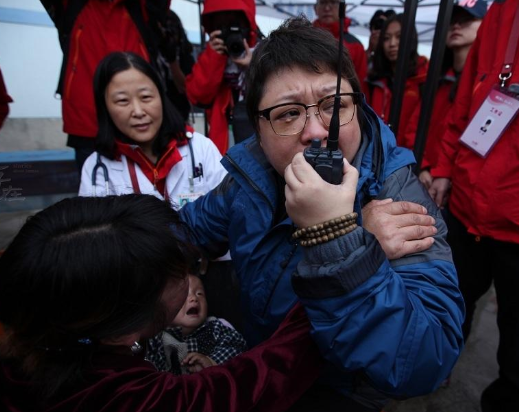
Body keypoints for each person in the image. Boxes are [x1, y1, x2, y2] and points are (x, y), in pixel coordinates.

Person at [181, 16, 464, 411]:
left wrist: (340, 240)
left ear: (359, 107)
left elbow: (423, 360)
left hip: (338, 389)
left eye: (335, 105)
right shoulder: (249, 178)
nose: (315, 130)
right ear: (258, 132)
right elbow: (185, 233)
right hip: (257, 362)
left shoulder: (397, 196)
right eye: (288, 114)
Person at [0, 194, 321, 412]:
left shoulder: (36, 318)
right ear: (124, 332)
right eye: (182, 272)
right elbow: (250, 386)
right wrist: (336, 267)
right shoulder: (122, 397)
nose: (192, 277)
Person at [428, 0, 519, 410]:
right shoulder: (501, 11)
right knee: (450, 302)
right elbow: (466, 101)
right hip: (467, 205)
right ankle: (435, 368)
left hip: (515, 222)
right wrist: (445, 166)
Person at [78, 52, 225, 209]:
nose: (138, 111)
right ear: (105, 107)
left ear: (161, 96)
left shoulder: (200, 148)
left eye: (146, 97)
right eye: (122, 101)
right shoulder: (97, 168)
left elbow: (229, 214)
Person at [41, 0, 171, 171]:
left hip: (142, 122)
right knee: (95, 193)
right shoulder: (71, 5)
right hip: (87, 122)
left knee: (148, 194)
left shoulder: (140, 6)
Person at [405, 0, 487, 189]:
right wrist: (423, 165)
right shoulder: (436, 80)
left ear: (485, 24)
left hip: (459, 185)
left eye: (466, 19)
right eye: (452, 20)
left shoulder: (486, 86)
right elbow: (413, 129)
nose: (456, 25)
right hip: (424, 178)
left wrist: (443, 173)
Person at [186, 0, 260, 153]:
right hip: (224, 142)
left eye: (235, 25)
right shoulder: (212, 55)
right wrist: (213, 58)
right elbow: (197, 96)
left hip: (260, 137)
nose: (231, 34)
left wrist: (252, 68)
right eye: (222, 27)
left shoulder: (264, 52)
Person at [147, 274, 247, 375]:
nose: (194, 298)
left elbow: (237, 347)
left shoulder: (216, 327)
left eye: (199, 293)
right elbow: (148, 367)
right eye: (184, 295)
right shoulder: (156, 337)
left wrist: (211, 361)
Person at [365, 13, 429, 147]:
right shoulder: (374, 80)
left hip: (409, 157)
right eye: (386, 38)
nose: (392, 44)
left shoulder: (425, 78)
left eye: (399, 37)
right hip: (376, 155)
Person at [313, 0, 368, 83]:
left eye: (333, 2)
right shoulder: (303, 40)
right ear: (315, 8)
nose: (327, 8)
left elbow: (361, 84)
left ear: (344, 8)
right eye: (323, 2)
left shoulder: (356, 45)